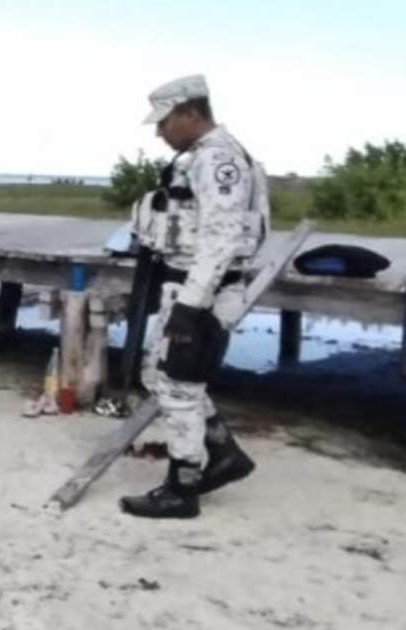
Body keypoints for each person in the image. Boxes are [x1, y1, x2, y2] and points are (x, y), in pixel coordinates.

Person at [120, 75, 268, 519]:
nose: (160, 132)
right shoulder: (199, 157)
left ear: (190, 113)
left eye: (164, 122)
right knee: (159, 376)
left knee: (178, 385)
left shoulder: (218, 160)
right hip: (187, 283)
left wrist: (190, 306)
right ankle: (222, 451)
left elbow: (221, 239)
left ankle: (182, 486)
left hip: (202, 289)